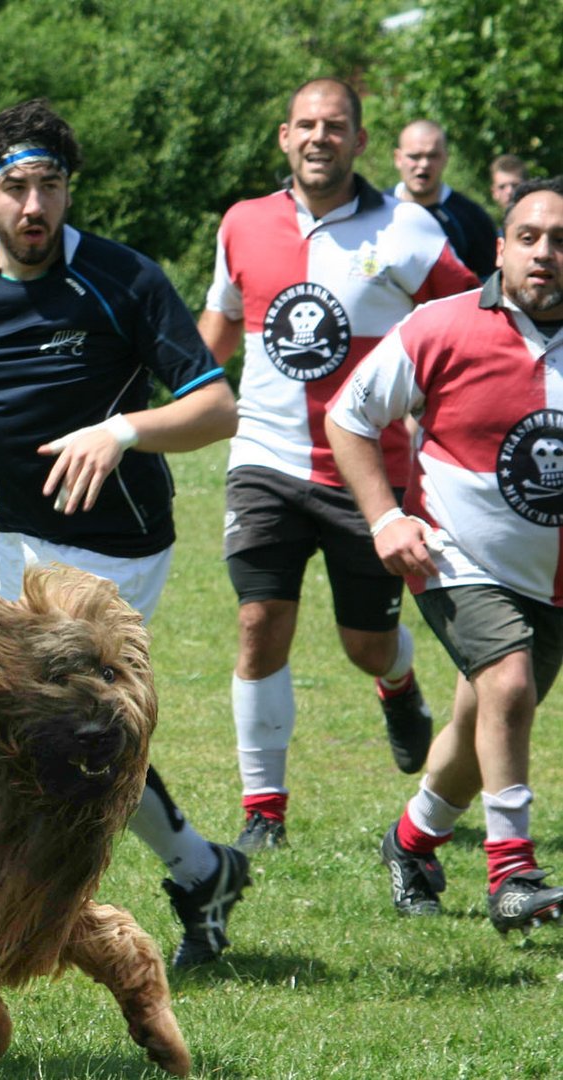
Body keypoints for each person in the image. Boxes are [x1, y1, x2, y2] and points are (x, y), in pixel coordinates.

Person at [0, 99, 245, 969]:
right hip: (20, 541)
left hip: (119, 543)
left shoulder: (123, 278)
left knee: (45, 729)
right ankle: (197, 869)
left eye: (50, 187)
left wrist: (123, 432)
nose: (34, 207)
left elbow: (216, 407)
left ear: (68, 194)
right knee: (58, 735)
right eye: (16, 188)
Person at [197, 79, 480, 854]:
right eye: (306, 126)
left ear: (359, 142)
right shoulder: (242, 223)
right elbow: (221, 322)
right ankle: (264, 810)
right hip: (263, 458)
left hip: (368, 473)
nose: (319, 137)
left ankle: (396, 681)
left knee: (364, 644)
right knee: (259, 624)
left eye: (336, 127)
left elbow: (469, 321)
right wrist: (174, 386)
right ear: (283, 137)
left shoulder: (410, 230)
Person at [327, 176, 563, 936]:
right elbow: (349, 417)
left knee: (482, 716)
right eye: (528, 237)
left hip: (550, 578)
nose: (544, 254)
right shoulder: (441, 326)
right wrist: (384, 517)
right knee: (507, 680)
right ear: (499, 249)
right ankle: (511, 872)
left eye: (559, 241)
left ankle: (411, 842)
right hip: (450, 554)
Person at [392, 119, 497, 278]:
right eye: (414, 156)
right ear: (398, 158)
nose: (424, 164)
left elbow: (491, 282)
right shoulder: (372, 208)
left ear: (445, 158)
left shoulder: (471, 217)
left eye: (433, 156)